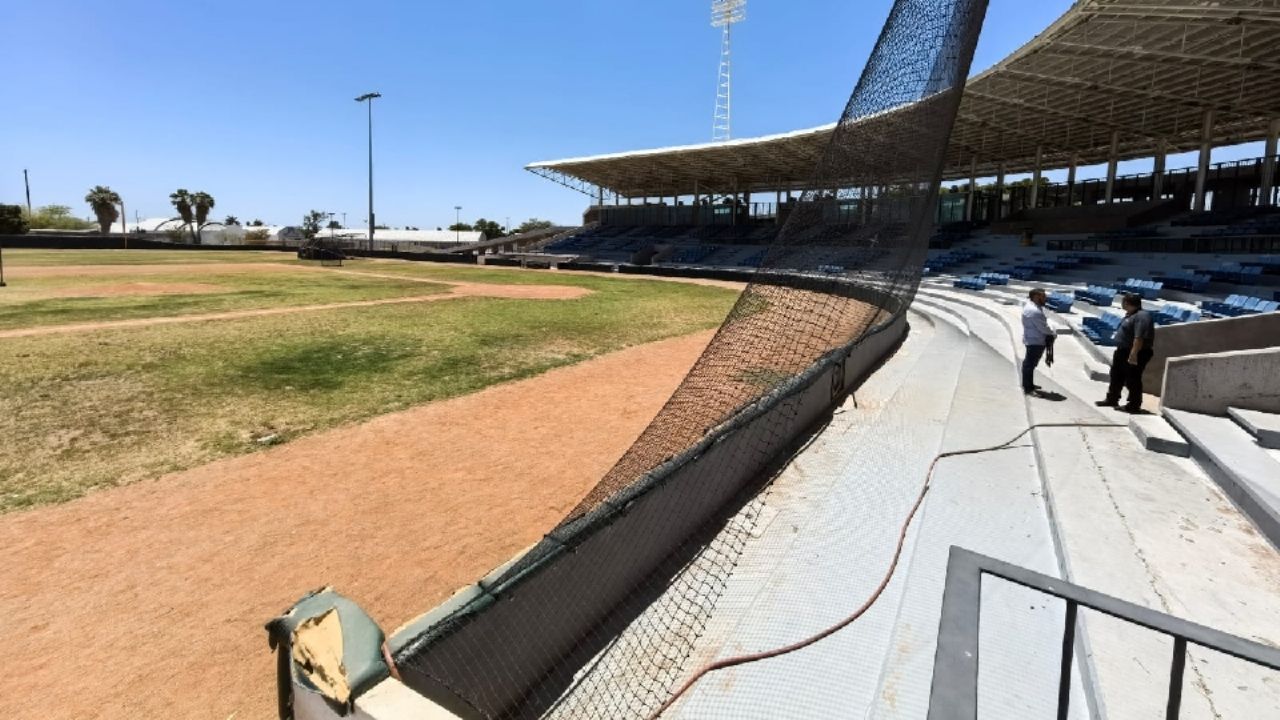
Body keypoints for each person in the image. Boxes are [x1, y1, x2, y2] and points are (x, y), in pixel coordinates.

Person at [1097, 294, 1156, 413]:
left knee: (1132, 378)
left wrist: (1133, 355)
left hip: (1136, 352)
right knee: (1116, 376)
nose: (1122, 304)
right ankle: (1112, 399)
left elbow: (1139, 338)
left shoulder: (1142, 316)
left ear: (1127, 303)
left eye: (1123, 302)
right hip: (1122, 351)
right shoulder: (1131, 315)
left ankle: (1133, 405)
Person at [1021, 288, 1055, 395]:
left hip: (1032, 338)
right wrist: (1053, 333)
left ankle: (1029, 384)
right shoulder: (1034, 311)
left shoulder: (1031, 306)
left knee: (1030, 364)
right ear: (1036, 297)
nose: (1045, 298)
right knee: (1029, 365)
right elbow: (1043, 328)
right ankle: (1028, 389)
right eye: (1043, 296)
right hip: (1035, 341)